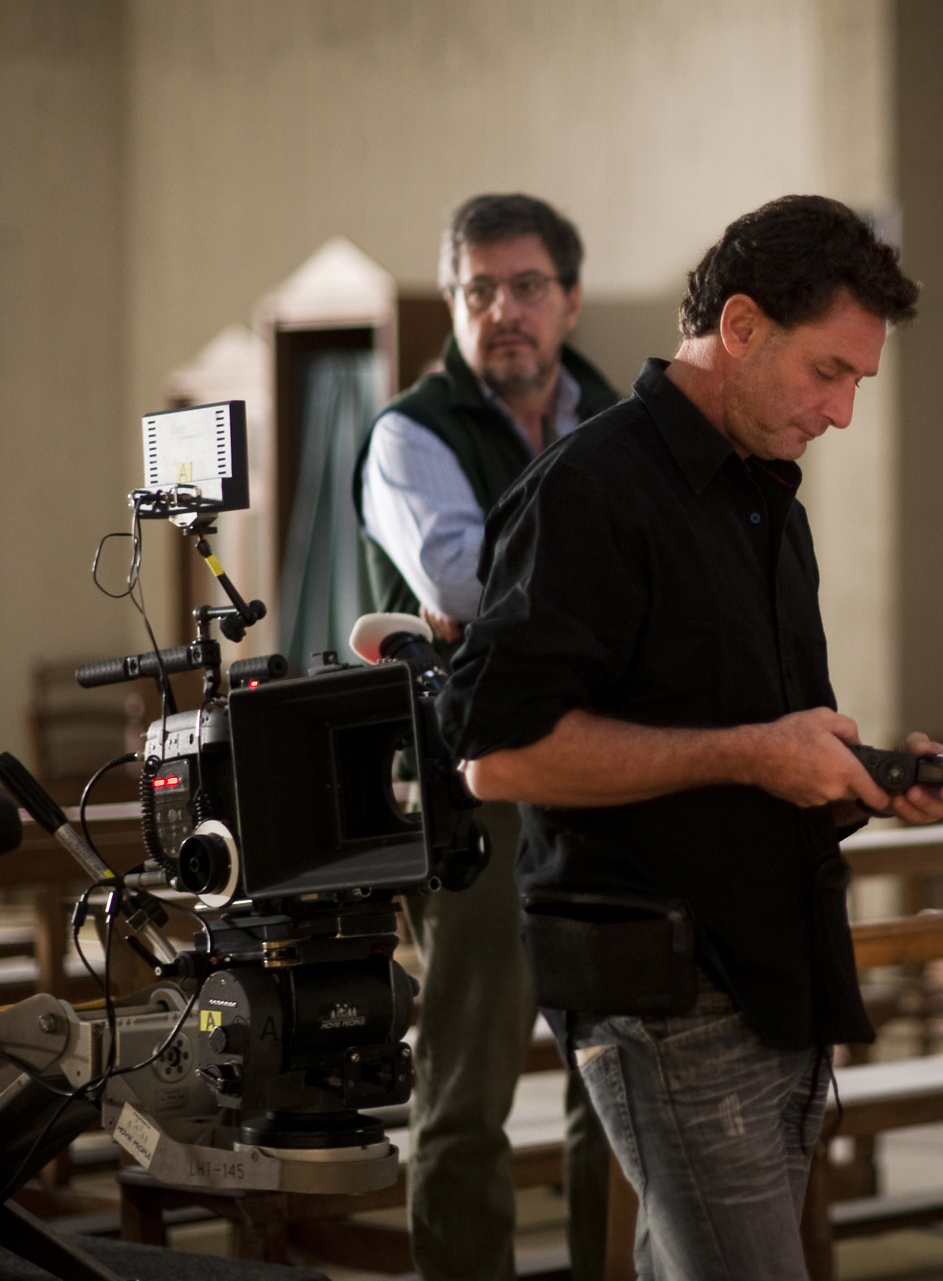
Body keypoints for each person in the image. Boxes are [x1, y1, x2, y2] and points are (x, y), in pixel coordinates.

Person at [441, 195, 943, 1281]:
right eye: (827, 372)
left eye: (856, 383)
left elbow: (764, 738)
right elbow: (497, 754)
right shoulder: (590, 487)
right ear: (739, 326)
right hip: (667, 990)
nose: (840, 412)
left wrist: (853, 779)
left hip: (772, 963)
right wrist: (752, 753)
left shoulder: (764, 494)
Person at [352, 193, 619, 1281]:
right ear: (454, 300)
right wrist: (604, 580)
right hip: (476, 794)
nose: (501, 310)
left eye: (525, 287)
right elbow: (458, 581)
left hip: (611, 775)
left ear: (568, 298)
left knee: (617, 1079)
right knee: (465, 1091)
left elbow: (526, 588)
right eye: (478, 290)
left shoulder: (610, 408)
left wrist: (533, 595)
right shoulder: (410, 431)